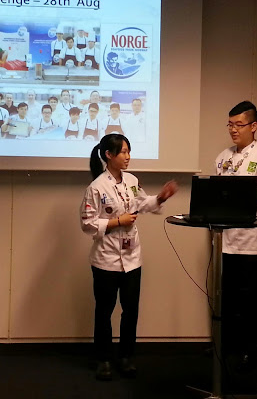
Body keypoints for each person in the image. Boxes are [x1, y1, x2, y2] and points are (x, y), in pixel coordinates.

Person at [80, 133, 178, 381]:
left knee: (131, 310)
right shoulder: (96, 187)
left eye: (128, 151)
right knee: (104, 311)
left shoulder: (132, 180)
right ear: (108, 155)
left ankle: (126, 356)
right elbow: (87, 224)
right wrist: (116, 222)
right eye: (123, 152)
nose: (128, 156)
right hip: (106, 259)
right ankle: (103, 359)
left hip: (132, 258)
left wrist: (161, 197)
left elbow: (143, 203)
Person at [214, 101, 257, 371]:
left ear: (253, 126)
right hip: (227, 239)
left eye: (239, 125)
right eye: (230, 124)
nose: (233, 130)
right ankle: (227, 345)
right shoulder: (223, 157)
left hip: (255, 243)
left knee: (252, 299)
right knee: (228, 297)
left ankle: (251, 350)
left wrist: (243, 197)